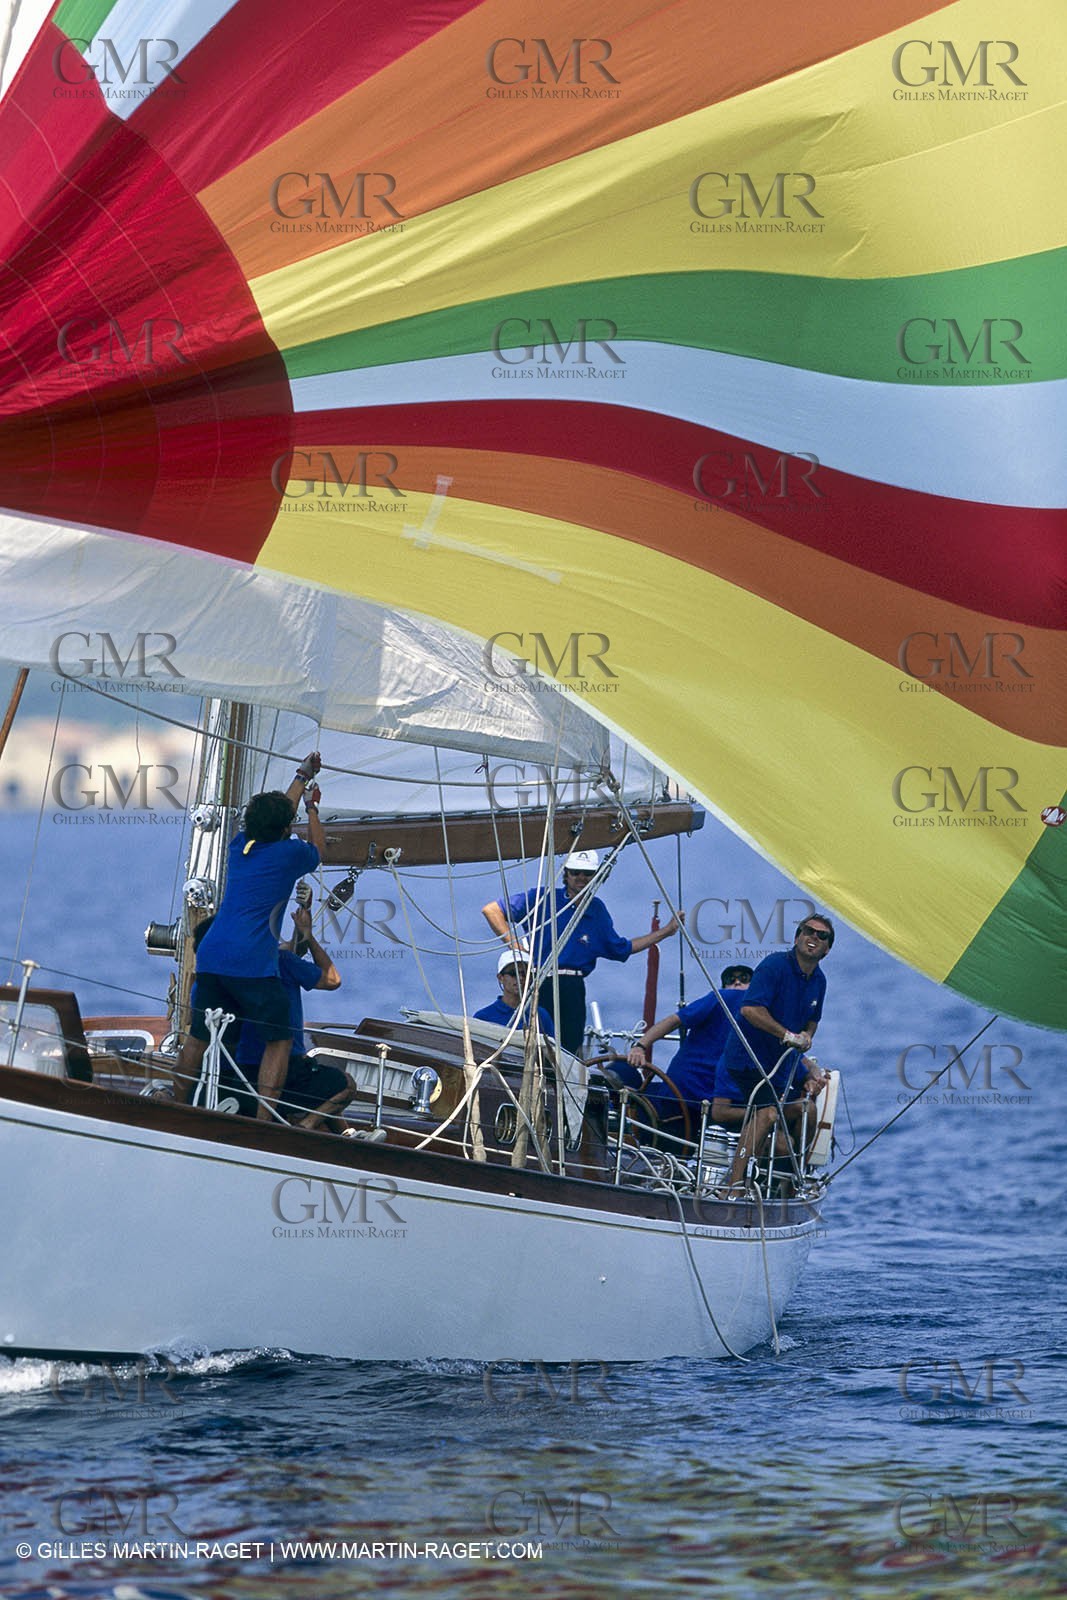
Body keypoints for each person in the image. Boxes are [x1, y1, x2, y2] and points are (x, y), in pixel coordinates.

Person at [172, 754, 325, 1119]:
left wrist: (301, 775)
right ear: (286, 828)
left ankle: (176, 1108)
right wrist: (313, 809)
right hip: (252, 962)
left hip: (212, 954)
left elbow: (275, 817)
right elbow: (319, 850)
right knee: (280, 1039)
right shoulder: (290, 854)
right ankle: (263, 1122)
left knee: (198, 1036)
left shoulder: (240, 847)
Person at [481, 849, 682, 1055]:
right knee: (536, 1045)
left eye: (587, 874)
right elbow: (492, 910)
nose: (581, 878)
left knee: (568, 1050)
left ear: (595, 877)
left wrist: (665, 932)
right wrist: (515, 946)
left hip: (573, 988)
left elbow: (622, 948)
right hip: (541, 981)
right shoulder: (542, 898)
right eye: (576, 872)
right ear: (566, 874)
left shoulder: (596, 910)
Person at [713, 917, 834, 1191]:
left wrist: (808, 1037)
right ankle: (733, 1184)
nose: (814, 937)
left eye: (822, 936)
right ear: (797, 938)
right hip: (748, 1060)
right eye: (808, 931)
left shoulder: (819, 981)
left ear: (827, 950)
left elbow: (813, 1019)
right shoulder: (774, 966)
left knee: (808, 1111)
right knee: (766, 1114)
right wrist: (787, 1035)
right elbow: (750, 1010)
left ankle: (791, 1180)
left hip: (780, 1066)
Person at [233, 904, 353, 1133]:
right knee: (345, 1085)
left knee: (322, 1085)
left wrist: (301, 932)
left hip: (243, 1070)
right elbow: (332, 979)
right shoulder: (284, 962)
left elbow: (291, 948)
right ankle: (305, 1126)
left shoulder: (240, 963)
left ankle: (346, 1135)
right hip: (286, 1071)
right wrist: (308, 935)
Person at [624, 965, 753, 1142]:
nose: (737, 983)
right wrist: (640, 1046)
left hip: (695, 1094)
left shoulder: (741, 1005)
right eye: (731, 980)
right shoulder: (724, 998)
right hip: (697, 1094)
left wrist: (641, 1045)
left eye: (744, 978)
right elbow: (676, 1020)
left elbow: (675, 1020)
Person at [474, 949, 556, 1038]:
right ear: (500, 978)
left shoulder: (541, 1016)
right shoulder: (483, 1017)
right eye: (513, 973)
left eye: (525, 974)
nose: (520, 978)